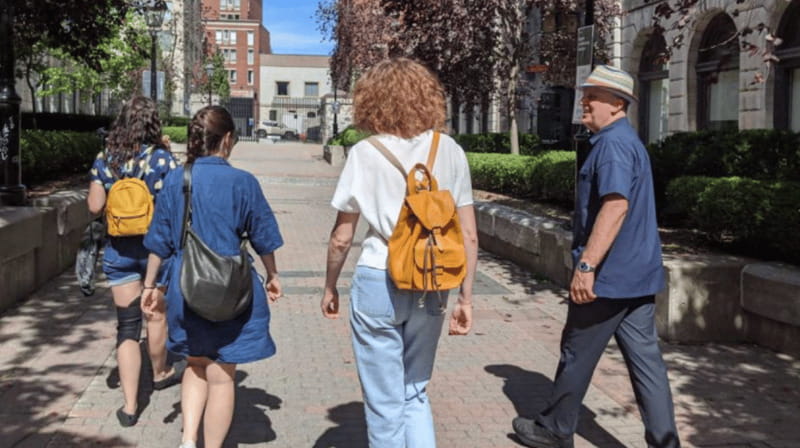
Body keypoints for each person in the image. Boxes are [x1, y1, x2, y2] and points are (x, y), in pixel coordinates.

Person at [512, 65, 680, 448]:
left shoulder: (611, 145)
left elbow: (615, 206)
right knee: (647, 364)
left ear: (617, 105)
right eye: (585, 94)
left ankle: (554, 430)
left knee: (577, 351)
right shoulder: (625, 141)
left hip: (608, 278)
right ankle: (664, 442)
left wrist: (586, 266)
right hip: (636, 275)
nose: (584, 102)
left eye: (593, 96)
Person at [321, 57, 479, 448]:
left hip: (379, 275)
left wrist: (329, 286)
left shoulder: (365, 153)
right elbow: (470, 235)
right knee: (414, 392)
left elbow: (343, 236)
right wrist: (466, 297)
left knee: (383, 403)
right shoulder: (451, 150)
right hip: (433, 278)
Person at [141, 105, 283, 448]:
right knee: (222, 376)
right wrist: (273, 274)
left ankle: (188, 440)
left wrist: (149, 285)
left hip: (185, 286)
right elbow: (263, 234)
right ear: (228, 139)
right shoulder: (243, 182)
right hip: (231, 288)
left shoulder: (176, 179)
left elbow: (159, 239)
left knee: (195, 362)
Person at [87, 95, 181, 427]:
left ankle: (129, 407)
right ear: (153, 123)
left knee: (127, 326)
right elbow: (175, 207)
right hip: (156, 251)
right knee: (155, 317)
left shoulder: (105, 158)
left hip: (119, 251)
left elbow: (94, 207)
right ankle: (160, 372)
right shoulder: (163, 160)